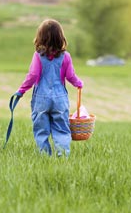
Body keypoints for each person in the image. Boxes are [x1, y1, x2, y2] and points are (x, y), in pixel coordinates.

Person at [15, 19, 83, 157]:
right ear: (60, 37)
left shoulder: (38, 56)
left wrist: (21, 90)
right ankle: (63, 155)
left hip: (41, 99)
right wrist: (78, 83)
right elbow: (71, 76)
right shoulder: (66, 56)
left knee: (41, 129)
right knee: (62, 129)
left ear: (40, 37)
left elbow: (33, 75)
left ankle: (45, 156)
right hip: (60, 99)